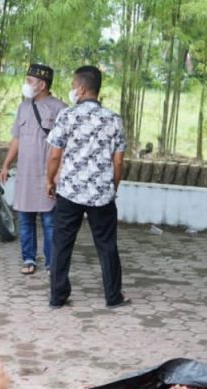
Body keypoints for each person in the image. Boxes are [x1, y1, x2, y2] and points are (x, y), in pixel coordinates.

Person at [46, 65, 128, 309]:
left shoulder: (67, 116)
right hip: (101, 195)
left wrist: (50, 180)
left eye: (72, 86)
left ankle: (57, 297)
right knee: (107, 245)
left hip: (69, 191)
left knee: (62, 244)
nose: (72, 91)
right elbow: (119, 161)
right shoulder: (114, 120)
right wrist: (112, 186)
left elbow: (54, 156)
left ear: (81, 89)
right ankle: (113, 297)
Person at [0, 63, 65, 275]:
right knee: (25, 219)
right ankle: (28, 258)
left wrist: (57, 175)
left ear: (42, 84)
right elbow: (17, 138)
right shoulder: (24, 107)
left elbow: (64, 146)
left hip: (47, 174)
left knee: (49, 222)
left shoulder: (59, 108)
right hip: (25, 174)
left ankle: (50, 262)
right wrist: (6, 164)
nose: (26, 84)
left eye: (29, 81)